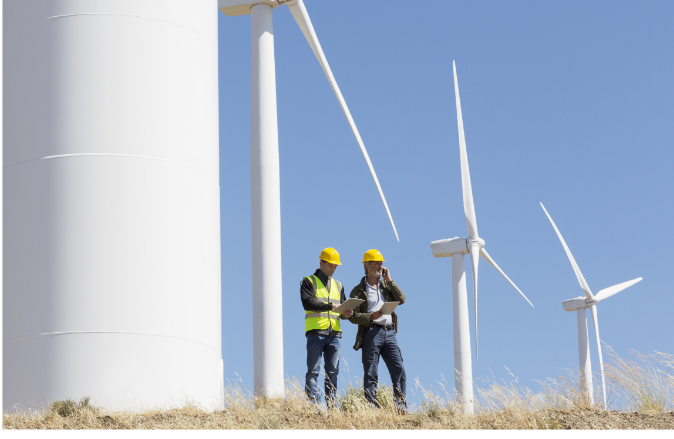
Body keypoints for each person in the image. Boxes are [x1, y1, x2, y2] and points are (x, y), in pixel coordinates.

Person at [348, 249, 407, 412]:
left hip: (389, 332)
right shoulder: (358, 290)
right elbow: (352, 316)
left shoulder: (386, 286)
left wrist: (390, 280)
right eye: (377, 263)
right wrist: (370, 316)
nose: (380, 266)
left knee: (399, 369)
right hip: (371, 333)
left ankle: (401, 406)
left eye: (381, 263)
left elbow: (401, 299)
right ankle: (372, 407)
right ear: (367, 266)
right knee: (371, 371)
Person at [300, 247, 354, 407]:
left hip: (335, 334)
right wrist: (330, 306)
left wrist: (347, 313)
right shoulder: (308, 281)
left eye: (335, 266)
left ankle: (332, 405)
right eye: (331, 265)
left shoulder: (338, 285)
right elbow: (308, 303)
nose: (333, 268)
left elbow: (341, 308)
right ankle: (312, 405)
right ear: (321, 263)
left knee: (332, 372)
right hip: (316, 332)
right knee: (313, 371)